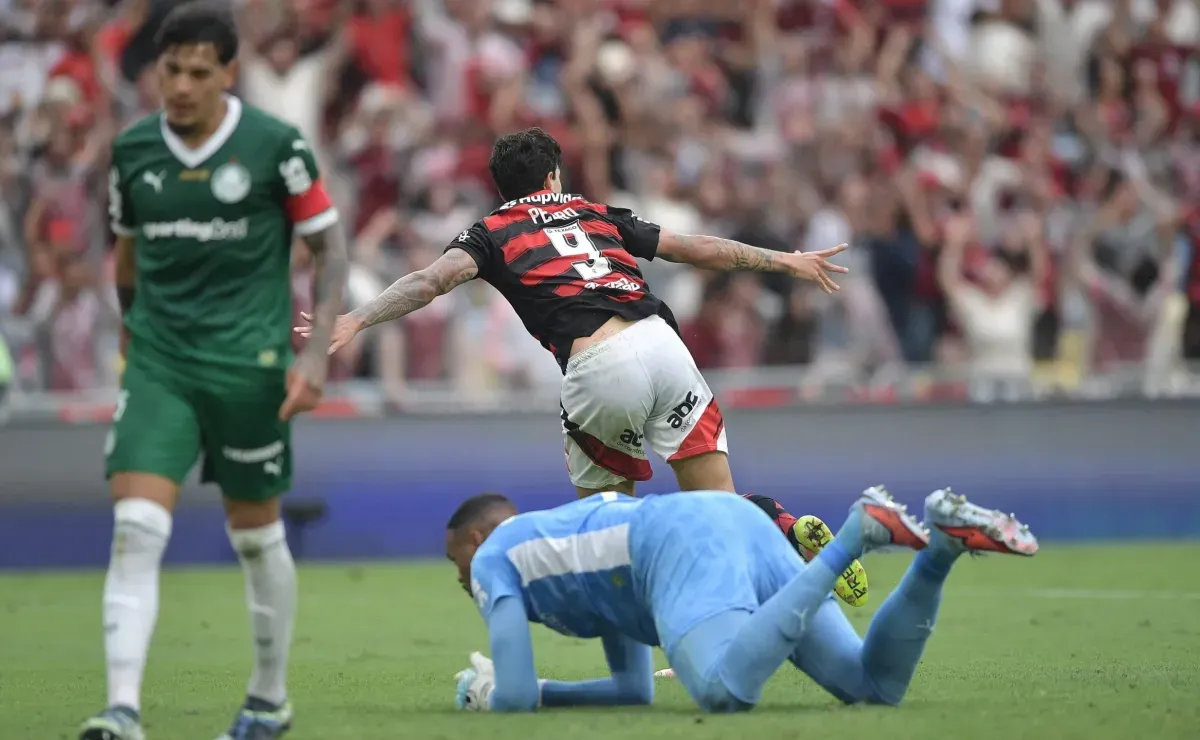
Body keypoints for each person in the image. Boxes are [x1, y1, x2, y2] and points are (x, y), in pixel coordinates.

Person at [295, 127, 866, 604]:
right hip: (664, 346)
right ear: (552, 179)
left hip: (600, 366)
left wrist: (355, 321)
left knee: (610, 535)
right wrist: (787, 260)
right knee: (718, 513)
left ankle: (643, 660)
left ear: (503, 189)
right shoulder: (594, 213)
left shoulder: (490, 232)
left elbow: (431, 281)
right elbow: (697, 248)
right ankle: (776, 524)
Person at [81, 4, 348, 740]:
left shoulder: (275, 147)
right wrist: (134, 341)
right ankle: (122, 710)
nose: (184, 85)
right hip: (161, 365)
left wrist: (314, 353)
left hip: (250, 367)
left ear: (229, 73)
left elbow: (331, 251)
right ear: (158, 70)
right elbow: (126, 256)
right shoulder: (133, 151)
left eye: (201, 71)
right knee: (135, 528)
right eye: (173, 70)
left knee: (256, 537)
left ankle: (268, 698)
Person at [445, 486, 1037, 714]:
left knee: (723, 689)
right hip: (726, 518)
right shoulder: (558, 553)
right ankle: (940, 550)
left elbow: (515, 697)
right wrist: (546, 692)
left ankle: (856, 532)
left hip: (674, 543)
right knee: (872, 686)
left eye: (455, 562)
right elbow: (634, 690)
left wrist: (492, 691)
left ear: (476, 539)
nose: (459, 578)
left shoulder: (495, 557)